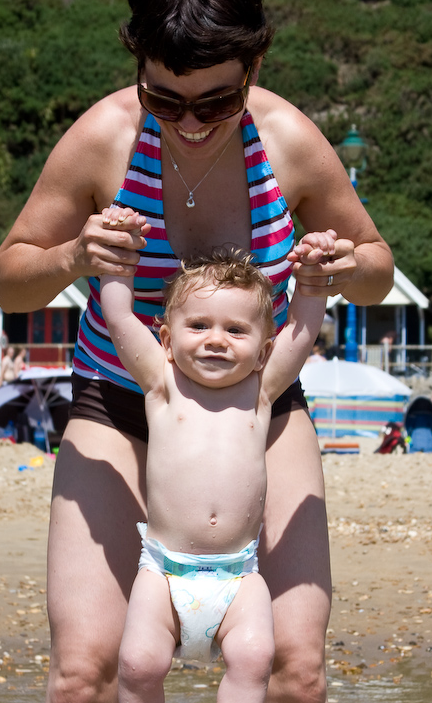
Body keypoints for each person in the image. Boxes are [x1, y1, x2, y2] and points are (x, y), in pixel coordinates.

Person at [0, 0, 393, 703]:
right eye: (165, 99)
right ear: (139, 65)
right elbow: (12, 280)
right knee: (85, 673)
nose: (193, 122)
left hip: (260, 408)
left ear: (255, 65)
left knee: (295, 667)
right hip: (117, 403)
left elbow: (377, 269)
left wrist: (338, 268)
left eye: (217, 100)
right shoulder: (104, 136)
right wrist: (76, 254)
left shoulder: (288, 143)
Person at [100, 227, 327, 701]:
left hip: (239, 576)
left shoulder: (261, 393)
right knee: (138, 664)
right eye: (199, 325)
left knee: (255, 657)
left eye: (236, 330)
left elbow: (302, 334)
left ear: (264, 349)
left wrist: (311, 282)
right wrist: (118, 267)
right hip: (163, 573)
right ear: (165, 338)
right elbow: (119, 318)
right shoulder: (162, 386)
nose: (216, 340)